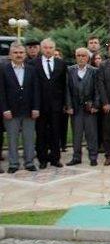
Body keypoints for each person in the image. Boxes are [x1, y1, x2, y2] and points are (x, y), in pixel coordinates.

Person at [0, 42, 40, 173]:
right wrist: (5, 109)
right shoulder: (3, 69)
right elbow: (2, 92)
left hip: (29, 110)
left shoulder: (31, 69)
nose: (19, 55)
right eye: (16, 53)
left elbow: (36, 90)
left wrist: (36, 108)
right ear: (10, 55)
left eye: (21, 52)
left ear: (25, 54)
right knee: (12, 138)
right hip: (11, 111)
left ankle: (29, 162)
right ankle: (13, 163)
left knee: (29, 138)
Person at [33, 38, 67, 169]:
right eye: (45, 47)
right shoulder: (33, 64)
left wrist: (65, 104)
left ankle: (55, 158)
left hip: (56, 106)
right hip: (40, 106)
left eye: (51, 48)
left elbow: (64, 85)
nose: (48, 50)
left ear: (54, 49)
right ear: (41, 49)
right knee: (41, 133)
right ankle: (42, 159)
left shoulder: (61, 64)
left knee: (55, 132)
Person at [65, 47, 100, 166]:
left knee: (91, 133)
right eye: (78, 55)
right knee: (77, 134)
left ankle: (93, 157)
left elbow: (97, 90)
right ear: (75, 57)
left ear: (88, 58)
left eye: (83, 56)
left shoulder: (94, 71)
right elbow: (67, 90)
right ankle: (76, 157)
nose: (81, 58)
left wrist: (96, 105)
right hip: (75, 108)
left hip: (89, 108)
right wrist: (68, 106)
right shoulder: (70, 70)